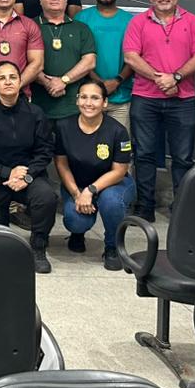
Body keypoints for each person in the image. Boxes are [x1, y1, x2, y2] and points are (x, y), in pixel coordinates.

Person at [123, 0, 195, 222]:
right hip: (145, 98)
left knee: (182, 157)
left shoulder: (192, 22)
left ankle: (180, 207)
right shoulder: (138, 22)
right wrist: (160, 79)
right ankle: (145, 205)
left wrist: (177, 78)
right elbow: (131, 56)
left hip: (182, 99)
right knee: (144, 154)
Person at [0, 61, 58, 273]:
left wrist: (25, 176)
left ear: (20, 81)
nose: (8, 81)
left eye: (13, 77)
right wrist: (7, 173)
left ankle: (38, 247)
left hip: (29, 177)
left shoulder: (35, 114)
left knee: (46, 197)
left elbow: (45, 151)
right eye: (2, 78)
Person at [53, 80, 134, 271]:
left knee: (111, 202)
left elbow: (119, 171)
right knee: (75, 220)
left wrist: (90, 190)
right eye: (84, 97)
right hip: (78, 184)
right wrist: (76, 194)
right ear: (77, 100)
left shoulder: (118, 131)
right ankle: (77, 233)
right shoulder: (63, 126)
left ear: (105, 102)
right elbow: (61, 164)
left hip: (113, 184)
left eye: (95, 98)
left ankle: (113, 246)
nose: (89, 103)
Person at [30, 0, 97, 125]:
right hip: (36, 106)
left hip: (74, 107)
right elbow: (23, 61)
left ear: (66, 0)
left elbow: (89, 61)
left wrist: (63, 81)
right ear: (40, 0)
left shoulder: (81, 28)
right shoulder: (29, 26)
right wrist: (47, 83)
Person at [77, 0, 135, 132]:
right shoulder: (82, 18)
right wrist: (99, 84)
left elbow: (135, 57)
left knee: (121, 147)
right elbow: (78, 57)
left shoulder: (130, 21)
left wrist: (117, 80)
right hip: (89, 98)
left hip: (121, 97)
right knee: (88, 146)